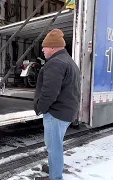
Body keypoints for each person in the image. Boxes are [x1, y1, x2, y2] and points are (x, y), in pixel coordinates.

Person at [33, 29, 81, 180]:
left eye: (44, 46)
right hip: (66, 111)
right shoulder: (68, 61)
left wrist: (41, 108)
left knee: (54, 148)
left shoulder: (56, 63)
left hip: (56, 113)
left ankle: (56, 177)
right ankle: (54, 171)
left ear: (53, 47)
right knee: (55, 146)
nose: (42, 49)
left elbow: (50, 92)